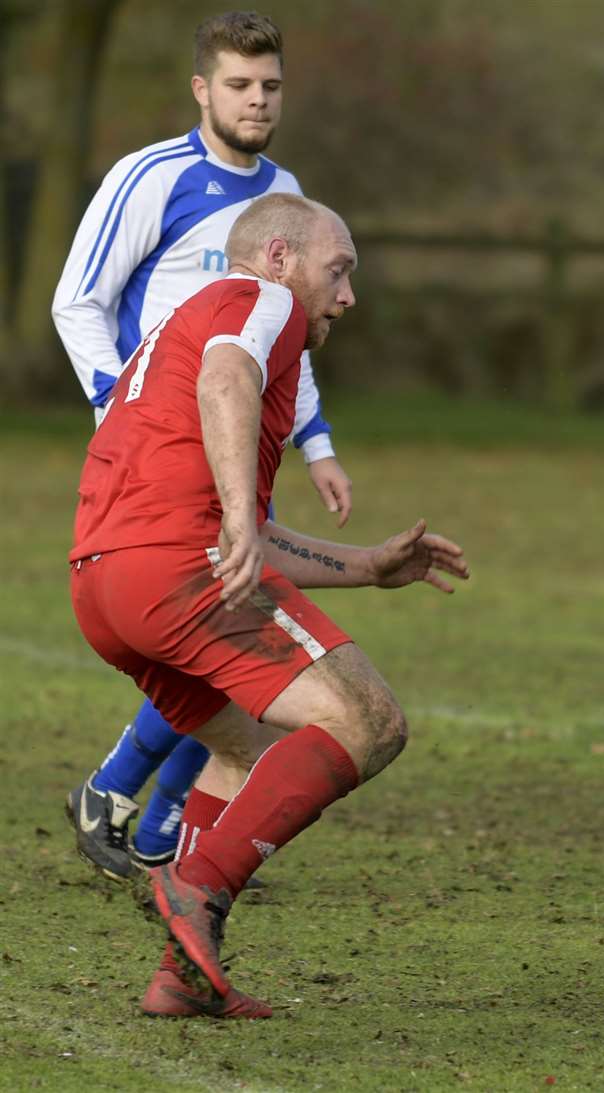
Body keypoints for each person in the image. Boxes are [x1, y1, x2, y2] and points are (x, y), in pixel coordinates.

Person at [69, 192, 469, 1018]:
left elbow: (225, 522)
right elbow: (227, 383)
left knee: (245, 753)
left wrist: (367, 564)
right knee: (369, 719)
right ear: (280, 256)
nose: (349, 294)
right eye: (341, 268)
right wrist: (242, 520)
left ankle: (180, 973)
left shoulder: (192, 322)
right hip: (176, 566)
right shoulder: (263, 298)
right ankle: (196, 884)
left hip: (104, 581)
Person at [53, 11, 354, 880]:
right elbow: (78, 301)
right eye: (238, 85)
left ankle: (156, 823)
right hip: (156, 444)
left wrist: (318, 441)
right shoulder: (149, 176)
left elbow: (276, 338)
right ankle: (138, 804)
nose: (256, 101)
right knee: (221, 621)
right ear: (201, 89)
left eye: (269, 87)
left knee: (232, 619)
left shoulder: (286, 194)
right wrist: (115, 402)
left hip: (237, 443)